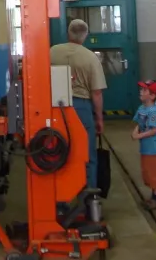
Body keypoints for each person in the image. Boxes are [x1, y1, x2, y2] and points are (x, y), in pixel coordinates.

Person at [51, 19, 107, 192]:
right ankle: (89, 201)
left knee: (58, 153)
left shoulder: (52, 52)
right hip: (81, 108)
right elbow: (96, 93)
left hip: (55, 107)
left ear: (68, 33)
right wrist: (99, 119)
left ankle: (60, 203)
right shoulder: (90, 57)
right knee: (87, 155)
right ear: (85, 36)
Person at [131, 80, 156, 209]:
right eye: (141, 89)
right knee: (147, 172)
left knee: (154, 171)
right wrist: (135, 132)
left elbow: (154, 130)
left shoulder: (155, 112)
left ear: (152, 96)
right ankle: (152, 196)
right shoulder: (141, 109)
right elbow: (139, 123)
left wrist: (138, 136)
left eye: (144, 90)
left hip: (153, 148)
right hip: (144, 147)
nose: (141, 92)